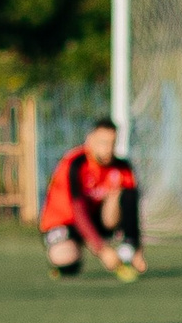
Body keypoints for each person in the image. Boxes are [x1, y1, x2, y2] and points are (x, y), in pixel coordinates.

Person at [40, 119, 143, 279]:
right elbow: (78, 211)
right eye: (103, 143)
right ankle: (66, 259)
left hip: (96, 219)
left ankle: (127, 251)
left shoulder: (122, 167)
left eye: (112, 143)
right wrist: (102, 250)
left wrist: (137, 247)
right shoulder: (75, 164)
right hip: (64, 222)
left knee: (123, 192)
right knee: (67, 262)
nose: (108, 149)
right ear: (90, 141)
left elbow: (131, 205)